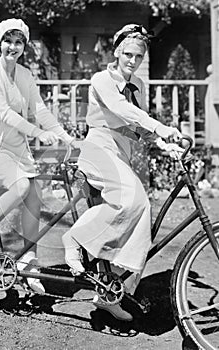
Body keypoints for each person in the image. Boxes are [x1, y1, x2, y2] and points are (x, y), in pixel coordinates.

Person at [62, 24, 183, 320]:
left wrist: (165, 145)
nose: (132, 60)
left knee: (141, 217)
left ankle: (111, 291)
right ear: (116, 52)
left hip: (121, 154)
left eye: (138, 56)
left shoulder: (138, 85)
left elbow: (138, 125)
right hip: (98, 150)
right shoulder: (102, 79)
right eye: (127, 54)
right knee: (134, 199)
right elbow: (120, 109)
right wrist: (162, 127)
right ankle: (75, 239)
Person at [0, 18, 76, 294]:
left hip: (16, 147)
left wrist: (64, 135)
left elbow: (39, 109)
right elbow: (3, 112)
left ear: (23, 46)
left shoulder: (25, 75)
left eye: (18, 42)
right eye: (8, 41)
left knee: (34, 195)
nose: (12, 47)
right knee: (21, 185)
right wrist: (38, 133)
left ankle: (29, 260)